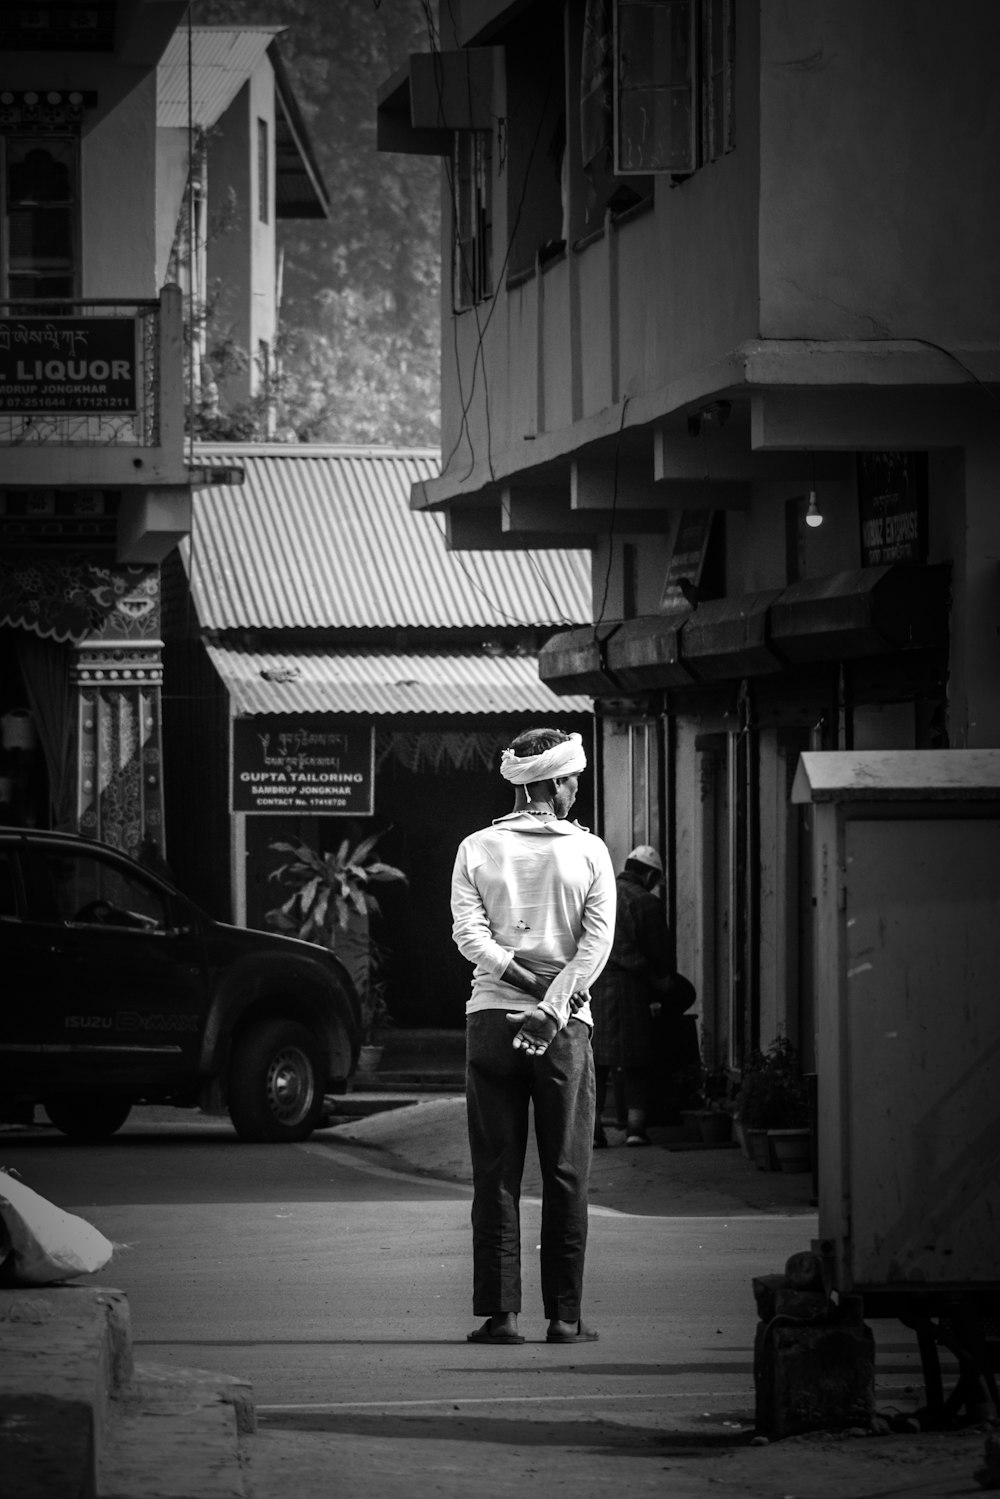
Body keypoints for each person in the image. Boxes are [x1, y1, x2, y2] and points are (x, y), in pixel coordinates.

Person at [450, 726, 616, 1347]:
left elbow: (471, 939)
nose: (576, 789)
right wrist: (551, 1005)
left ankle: (500, 1316)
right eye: (572, 779)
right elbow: (595, 946)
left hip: (491, 1020)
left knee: (495, 1172)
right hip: (565, 1028)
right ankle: (565, 1318)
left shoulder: (476, 848)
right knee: (566, 1171)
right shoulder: (589, 851)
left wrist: (521, 982)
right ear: (551, 782)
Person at [590, 844, 675, 1148]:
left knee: (597, 1062)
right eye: (656, 879)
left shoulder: (597, 893)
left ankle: (594, 1130)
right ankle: (636, 1129)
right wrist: (663, 983)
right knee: (638, 1059)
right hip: (632, 987)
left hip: (595, 985)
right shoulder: (646, 903)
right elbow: (659, 953)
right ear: (650, 874)